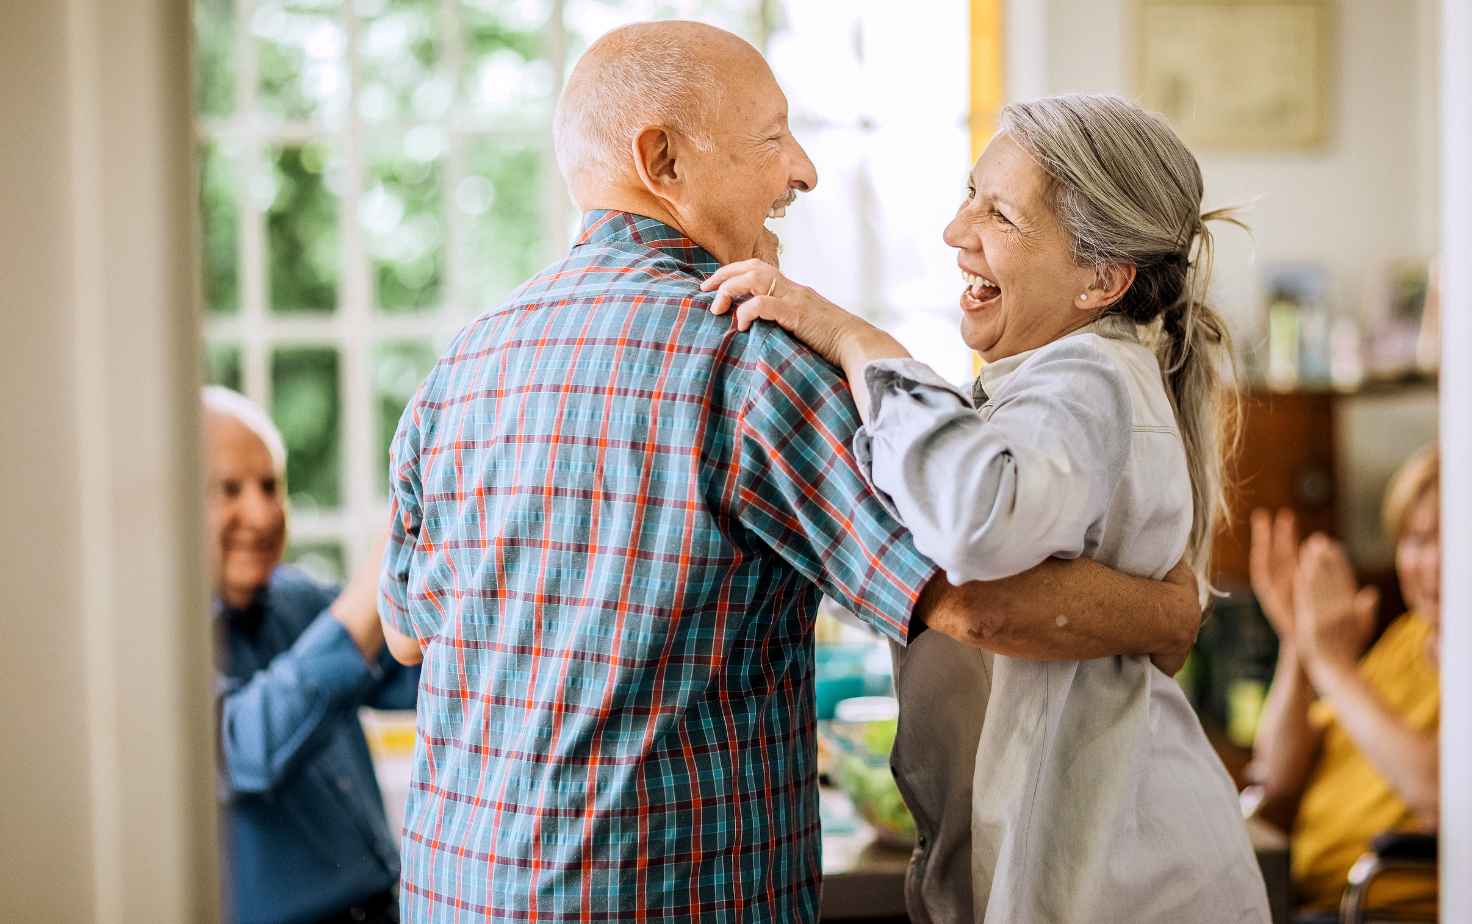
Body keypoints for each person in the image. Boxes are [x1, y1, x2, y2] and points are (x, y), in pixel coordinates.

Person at [375, 22, 1202, 924]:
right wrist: (1170, 611)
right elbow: (974, 601)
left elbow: (408, 630)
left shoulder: (465, 360)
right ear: (663, 160)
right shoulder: (751, 360)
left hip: (456, 890)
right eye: (773, 138)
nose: (801, 171)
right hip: (661, 900)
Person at [702, 93, 1269, 923]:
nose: (955, 230)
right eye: (973, 194)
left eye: (999, 213)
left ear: (1100, 280)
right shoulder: (1064, 380)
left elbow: (974, 521)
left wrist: (858, 341)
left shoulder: (1086, 380)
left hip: (1134, 885)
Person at [206, 386, 419, 924]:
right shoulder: (154, 649)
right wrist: (386, 558)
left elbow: (416, 671)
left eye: (271, 485)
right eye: (229, 489)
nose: (261, 513)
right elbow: (244, 746)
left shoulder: (299, 599)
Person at [1247, 445, 1441, 921]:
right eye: (1416, 541)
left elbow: (1435, 787)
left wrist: (1333, 664)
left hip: (1373, 907)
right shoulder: (1408, 636)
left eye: (1452, 537)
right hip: (1302, 898)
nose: (1433, 564)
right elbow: (1276, 773)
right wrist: (1299, 642)